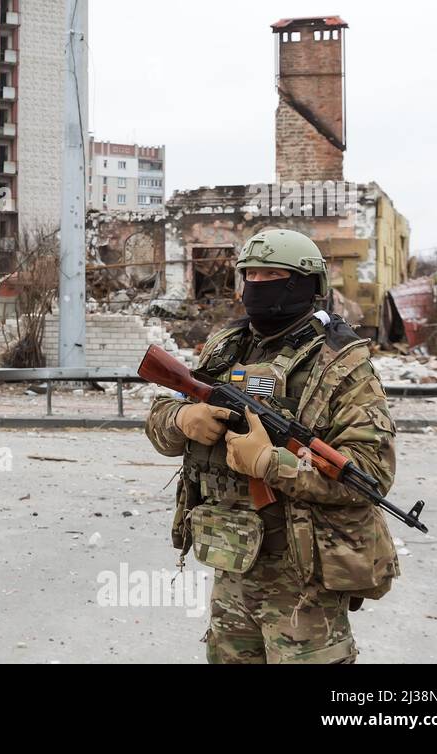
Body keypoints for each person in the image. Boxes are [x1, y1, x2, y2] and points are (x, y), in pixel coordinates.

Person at [145, 228, 400, 664]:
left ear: (306, 284)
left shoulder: (342, 365)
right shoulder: (228, 347)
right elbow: (161, 422)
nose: (257, 285)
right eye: (250, 274)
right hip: (232, 559)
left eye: (273, 274)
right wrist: (183, 418)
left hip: (304, 577)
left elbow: (369, 476)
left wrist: (269, 462)